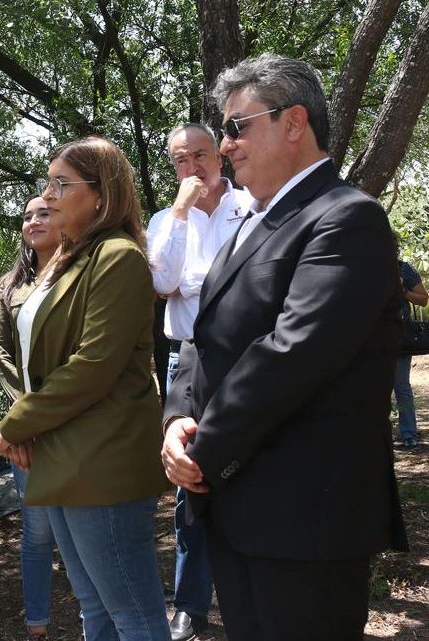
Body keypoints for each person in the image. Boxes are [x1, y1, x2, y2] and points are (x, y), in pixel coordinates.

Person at [161, 54, 408, 641]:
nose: (224, 146)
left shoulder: (347, 219)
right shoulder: (252, 222)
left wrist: (202, 450)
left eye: (236, 127)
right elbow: (202, 334)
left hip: (306, 520)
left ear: (294, 122)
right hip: (237, 508)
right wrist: (176, 420)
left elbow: (292, 355)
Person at [0, 136, 170, 641]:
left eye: (61, 184)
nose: (47, 196)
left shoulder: (117, 257)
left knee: (133, 613)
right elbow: (37, 363)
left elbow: (92, 365)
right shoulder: (64, 261)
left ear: (100, 194)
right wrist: (29, 428)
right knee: (94, 608)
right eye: (47, 183)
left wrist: (15, 424)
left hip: (102, 459)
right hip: (62, 454)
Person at [146, 123, 249, 641]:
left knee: (252, 474)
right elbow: (160, 281)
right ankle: (190, 604)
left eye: (201, 155)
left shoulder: (251, 206)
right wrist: (182, 214)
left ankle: (249, 596)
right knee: (190, 483)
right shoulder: (166, 220)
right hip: (186, 361)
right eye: (181, 161)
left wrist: (193, 285)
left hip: (248, 359)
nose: (193, 168)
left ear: (221, 155)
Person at [0, 196, 61, 641]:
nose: (34, 220)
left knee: (81, 532)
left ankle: (102, 619)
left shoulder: (86, 273)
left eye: (45, 213)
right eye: (27, 215)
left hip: (78, 424)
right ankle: (38, 625)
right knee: (37, 534)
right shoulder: (10, 286)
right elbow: (1, 354)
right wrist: (26, 414)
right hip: (25, 427)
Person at [396, 258, 427, 449]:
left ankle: (408, 433)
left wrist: (403, 291)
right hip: (368, 339)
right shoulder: (361, 264)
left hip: (399, 338)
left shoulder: (402, 268)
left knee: (401, 388)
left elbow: (423, 299)